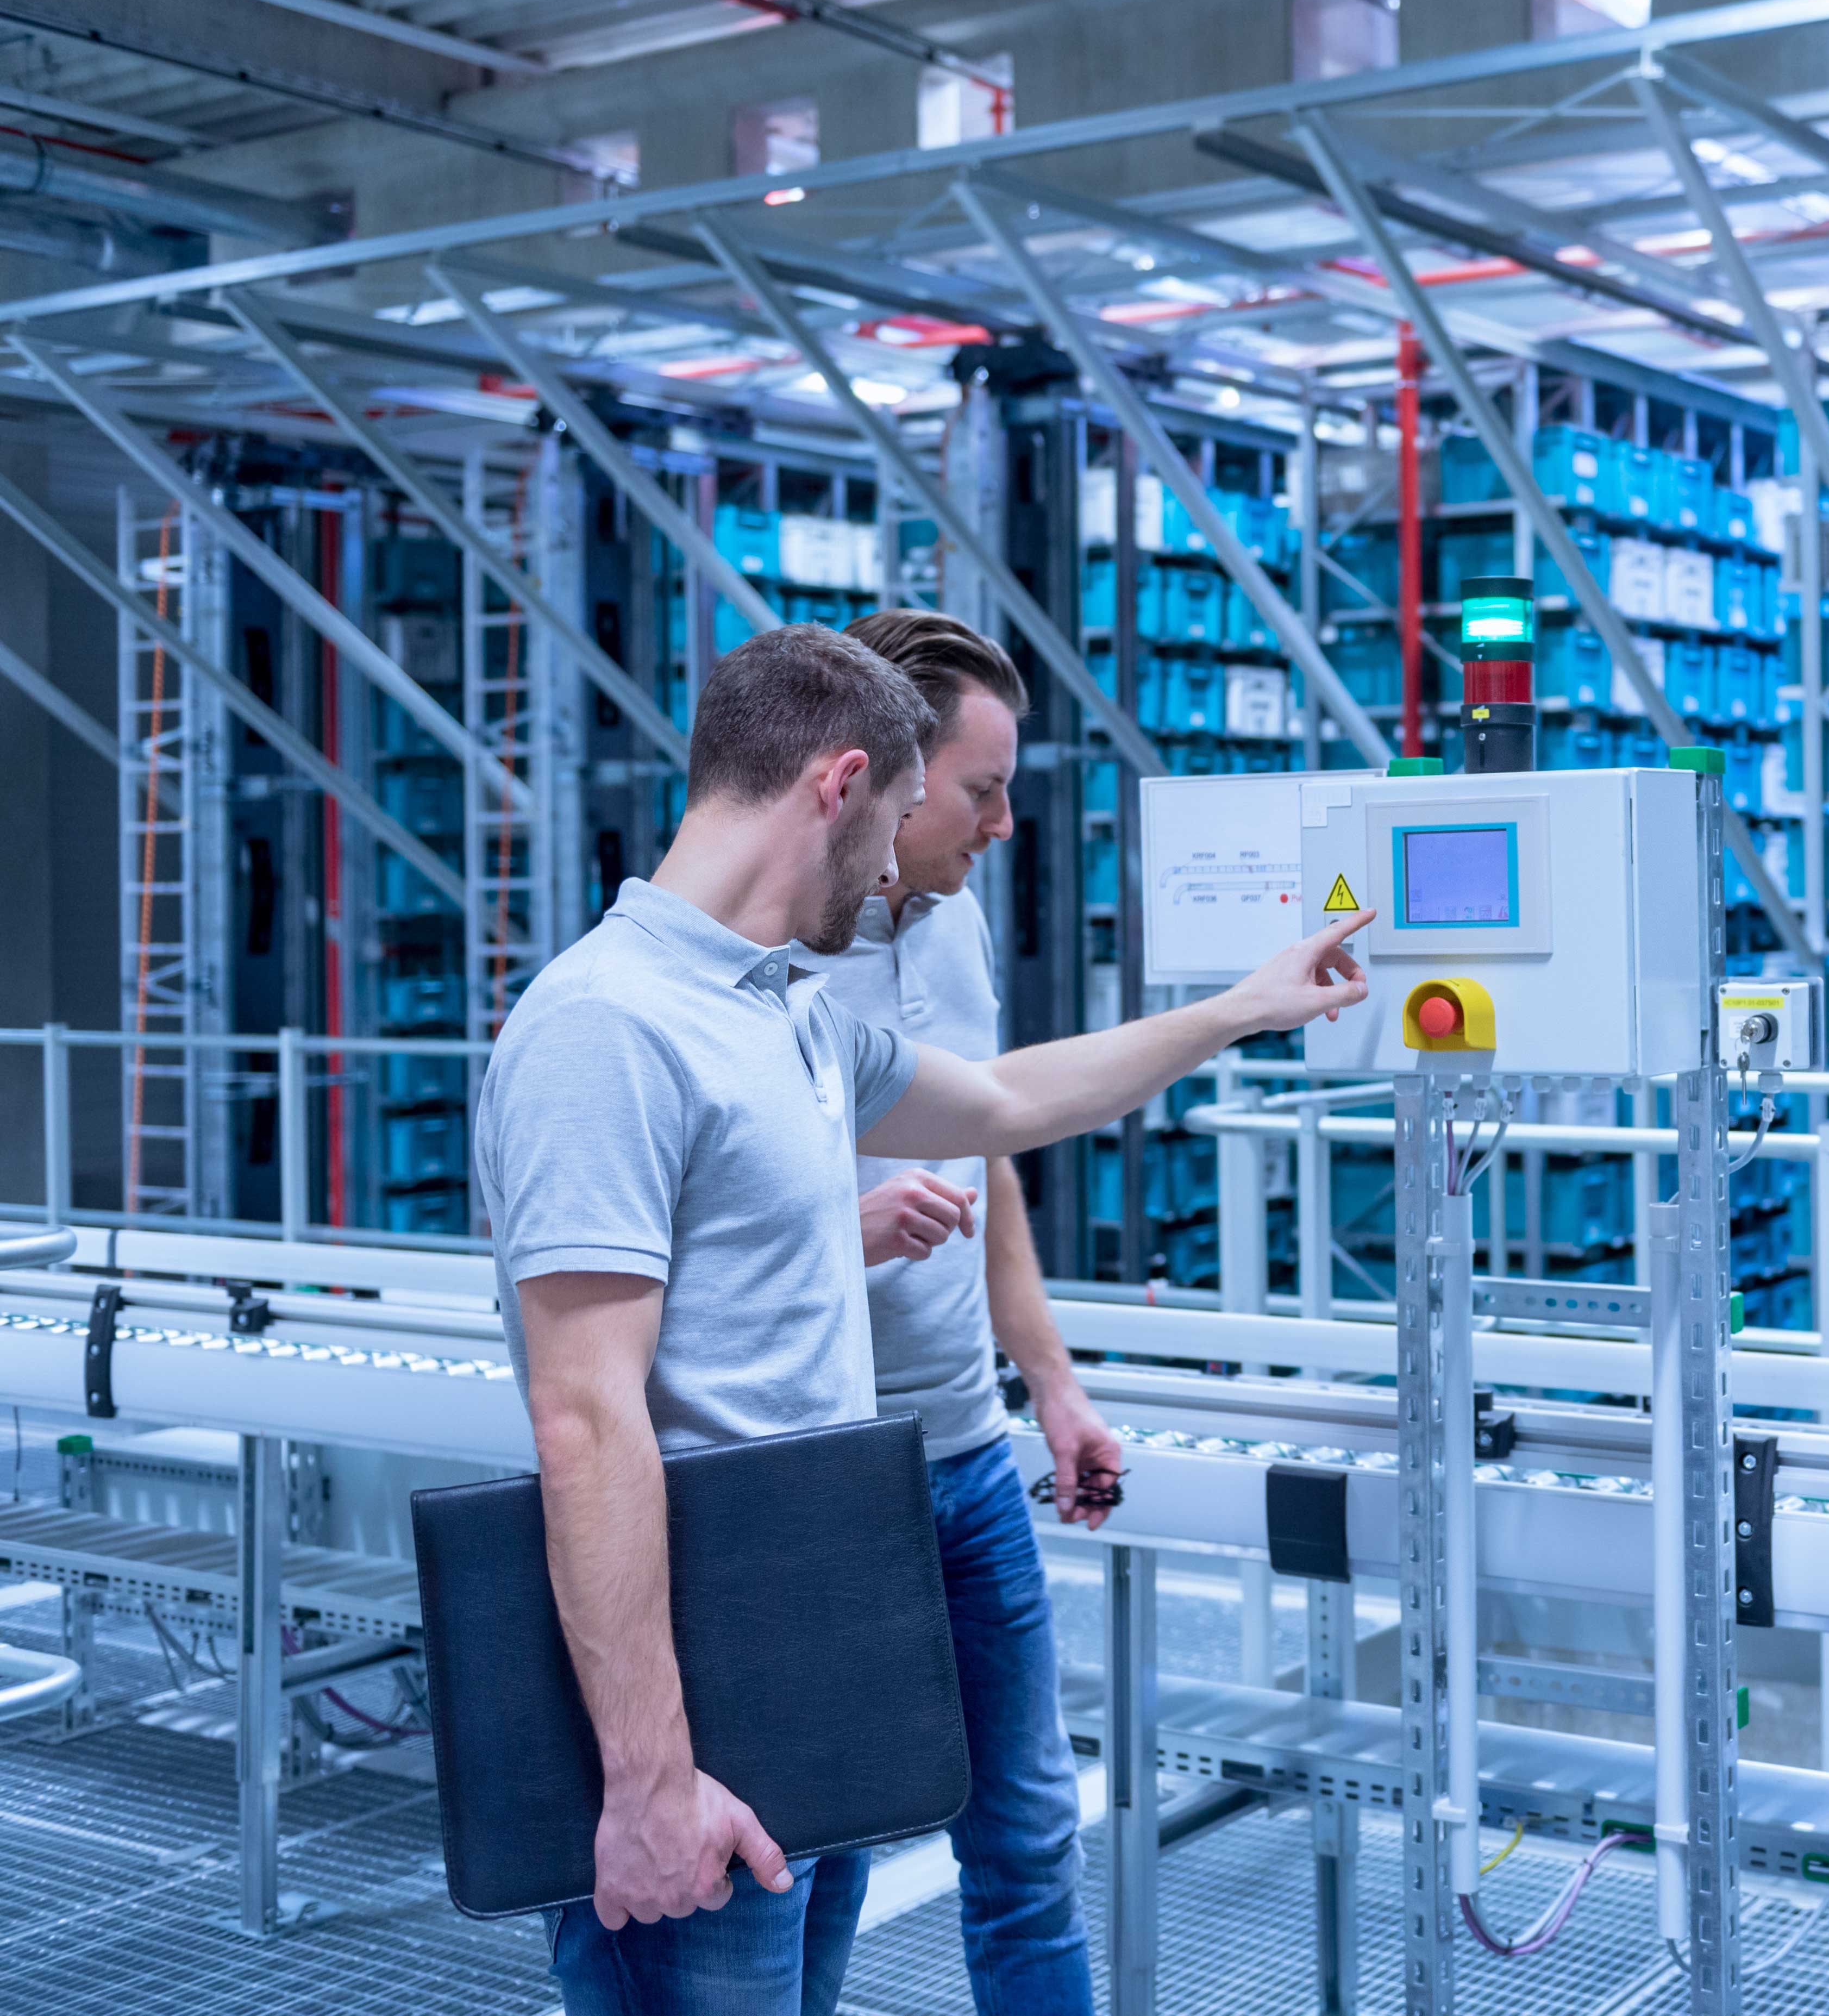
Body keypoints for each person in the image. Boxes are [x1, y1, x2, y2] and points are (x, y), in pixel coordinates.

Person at [475, 622, 1369, 2015]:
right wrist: (650, 1782)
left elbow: (1010, 1104)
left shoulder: (781, 1017)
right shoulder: (607, 1027)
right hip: (704, 1667)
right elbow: (586, 1420)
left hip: (814, 1624)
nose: (898, 869)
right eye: (894, 820)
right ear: (836, 788)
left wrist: (1243, 1011)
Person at [793, 608, 1106, 2015]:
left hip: (967, 1457)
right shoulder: (768, 954)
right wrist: (834, 1231)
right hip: (822, 1476)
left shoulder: (960, 927)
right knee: (818, 1855)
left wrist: (1052, 1384)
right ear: (887, 778)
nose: (1003, 824)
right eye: (981, 792)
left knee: (1030, 1836)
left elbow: (987, 1161)